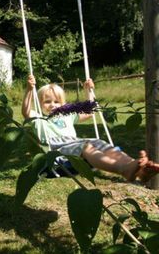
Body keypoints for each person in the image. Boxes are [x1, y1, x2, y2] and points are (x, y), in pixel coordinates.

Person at [22, 74, 159, 182]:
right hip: (57, 151)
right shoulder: (38, 117)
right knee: (86, 147)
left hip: (74, 142)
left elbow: (89, 112)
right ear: (39, 104)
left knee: (99, 143)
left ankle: (136, 168)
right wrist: (29, 90)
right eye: (47, 102)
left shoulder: (66, 115)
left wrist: (88, 91)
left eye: (57, 102)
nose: (53, 105)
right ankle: (123, 169)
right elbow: (26, 111)